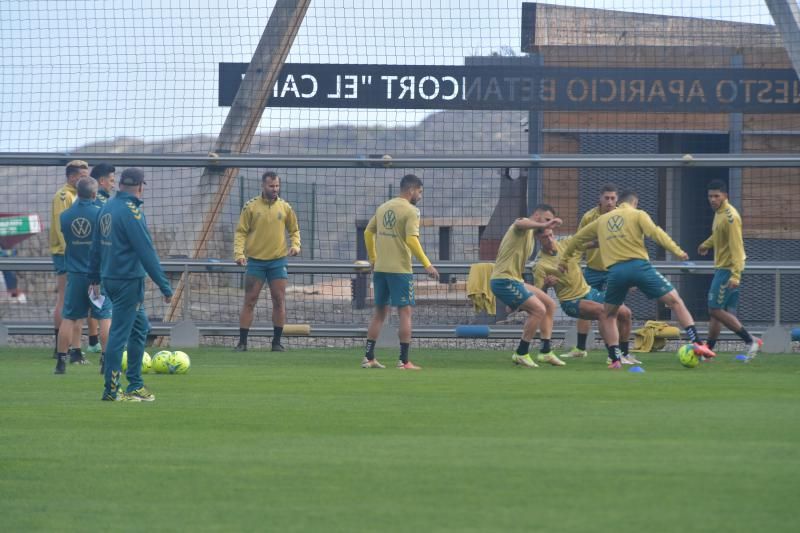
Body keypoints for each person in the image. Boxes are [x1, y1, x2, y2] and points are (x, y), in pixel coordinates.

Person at [559, 190, 716, 369]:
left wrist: (564, 259)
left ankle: (615, 359)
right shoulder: (638, 214)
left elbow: (577, 239)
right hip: (640, 267)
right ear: (635, 203)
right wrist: (678, 251)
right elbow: (656, 233)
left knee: (609, 315)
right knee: (675, 302)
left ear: (620, 202)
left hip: (615, 272)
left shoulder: (602, 220)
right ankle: (696, 341)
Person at [90, 168, 173, 401]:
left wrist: (94, 277)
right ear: (140, 186)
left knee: (140, 330)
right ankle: (112, 390)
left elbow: (95, 247)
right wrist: (164, 286)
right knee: (119, 334)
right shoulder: (132, 212)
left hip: (110, 280)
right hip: (128, 282)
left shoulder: (106, 207)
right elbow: (146, 252)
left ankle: (135, 384)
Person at [361, 174, 439, 370]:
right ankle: (404, 361)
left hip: (380, 269)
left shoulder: (383, 207)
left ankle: (368, 357)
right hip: (400, 270)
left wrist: (373, 258)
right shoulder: (412, 211)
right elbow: (412, 240)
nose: (420, 196)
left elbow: (368, 232)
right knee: (405, 313)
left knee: (379, 313)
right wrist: (427, 264)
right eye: (419, 192)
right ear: (411, 190)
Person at [533, 227, 637, 365]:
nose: (550, 239)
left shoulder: (565, 244)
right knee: (603, 312)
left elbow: (590, 243)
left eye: (551, 235)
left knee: (626, 313)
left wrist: (611, 240)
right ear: (538, 239)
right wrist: (546, 285)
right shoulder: (540, 264)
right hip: (571, 302)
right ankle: (613, 356)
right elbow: (539, 296)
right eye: (545, 237)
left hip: (589, 292)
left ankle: (624, 354)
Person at [489, 204, 564, 369]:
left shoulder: (532, 235)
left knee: (549, 304)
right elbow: (520, 223)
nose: (548, 225)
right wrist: (544, 226)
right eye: (547, 220)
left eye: (550, 222)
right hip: (503, 280)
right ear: (536, 216)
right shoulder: (522, 226)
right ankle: (521, 353)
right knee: (539, 310)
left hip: (516, 281)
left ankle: (545, 351)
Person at [233, 171, 301, 352]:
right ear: (263, 186)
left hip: (278, 261)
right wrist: (239, 254)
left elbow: (294, 230)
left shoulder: (285, 208)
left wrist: (295, 245)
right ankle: (242, 343)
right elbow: (241, 231)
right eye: (271, 186)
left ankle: (277, 342)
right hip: (255, 262)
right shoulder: (251, 207)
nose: (275, 189)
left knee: (279, 300)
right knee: (250, 300)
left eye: (277, 186)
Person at [54, 178, 112, 373]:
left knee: (69, 318)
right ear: (95, 194)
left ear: (77, 192)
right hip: (98, 275)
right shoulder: (101, 214)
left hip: (76, 274)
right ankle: (105, 361)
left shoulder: (65, 216)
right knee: (105, 316)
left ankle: (61, 363)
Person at [698, 180, 761, 360]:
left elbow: (737, 248)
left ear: (725, 196)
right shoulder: (719, 213)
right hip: (724, 268)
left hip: (728, 270)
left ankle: (750, 341)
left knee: (714, 310)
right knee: (717, 312)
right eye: (710, 196)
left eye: (716, 196)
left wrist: (735, 275)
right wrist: (706, 245)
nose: (713, 199)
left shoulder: (730, 217)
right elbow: (718, 235)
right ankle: (708, 351)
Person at [566, 183, 618, 359]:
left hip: (614, 270)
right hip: (593, 270)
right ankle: (580, 349)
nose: (610, 202)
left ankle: (614, 352)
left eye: (613, 198)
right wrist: (573, 266)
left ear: (617, 200)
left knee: (612, 311)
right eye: (607, 198)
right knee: (584, 309)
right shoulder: (589, 217)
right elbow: (579, 242)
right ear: (600, 199)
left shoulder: (621, 218)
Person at [50, 160, 89, 357]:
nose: (86, 179)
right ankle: (61, 348)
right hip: (66, 255)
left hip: (75, 255)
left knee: (77, 301)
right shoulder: (64, 196)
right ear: (72, 177)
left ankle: (74, 348)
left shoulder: (79, 195)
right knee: (65, 299)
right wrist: (71, 252)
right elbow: (60, 226)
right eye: (83, 176)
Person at [81, 162, 116, 357]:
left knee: (87, 307)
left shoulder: (82, 206)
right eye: (111, 180)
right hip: (101, 267)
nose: (114, 184)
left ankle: (86, 345)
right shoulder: (106, 207)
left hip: (80, 265)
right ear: (101, 182)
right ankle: (107, 353)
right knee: (106, 312)